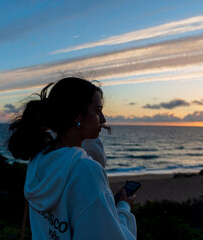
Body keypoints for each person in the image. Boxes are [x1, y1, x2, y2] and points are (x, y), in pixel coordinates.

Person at [8, 77, 137, 239]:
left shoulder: (39, 158)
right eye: (97, 111)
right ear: (77, 115)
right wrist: (123, 209)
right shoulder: (85, 170)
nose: (103, 119)